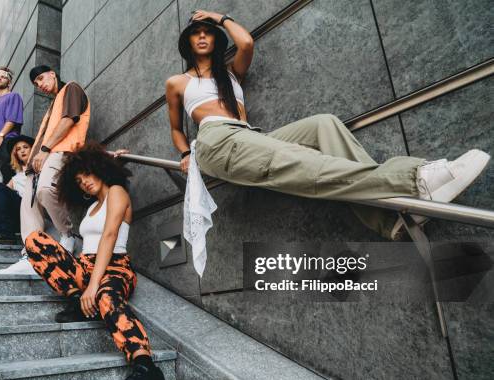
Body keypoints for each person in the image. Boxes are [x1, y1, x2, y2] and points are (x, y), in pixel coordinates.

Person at [164, 10, 490, 240]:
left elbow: (246, 42)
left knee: (324, 124)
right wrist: (183, 155)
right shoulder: (178, 81)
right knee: (301, 163)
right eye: (196, 33)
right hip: (216, 140)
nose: (203, 36)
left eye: (207, 32)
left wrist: (218, 17)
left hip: (247, 137)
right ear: (187, 44)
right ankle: (413, 180)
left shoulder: (231, 73)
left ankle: (388, 218)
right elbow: (177, 129)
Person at [24, 142, 172, 380]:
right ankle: (76, 300)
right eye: (79, 181)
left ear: (99, 169)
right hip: (86, 266)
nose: (84, 183)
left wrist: (93, 286)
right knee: (36, 240)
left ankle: (146, 370)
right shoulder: (92, 206)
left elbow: (110, 235)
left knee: (106, 297)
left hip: (115, 265)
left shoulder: (117, 191)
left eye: (88, 175)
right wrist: (85, 284)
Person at [20, 65, 91, 254]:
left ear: (52, 73)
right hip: (36, 164)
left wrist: (44, 150)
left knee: (44, 190)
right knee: (29, 209)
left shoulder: (71, 88)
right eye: (36, 84)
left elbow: (68, 121)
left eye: (41, 78)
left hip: (58, 153)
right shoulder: (52, 105)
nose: (40, 85)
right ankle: (31, 250)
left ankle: (67, 234)